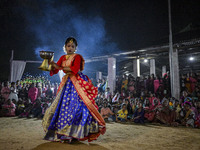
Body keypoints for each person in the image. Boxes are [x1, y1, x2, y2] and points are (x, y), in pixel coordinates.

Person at [42, 37, 105, 143]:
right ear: (65, 47)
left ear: (75, 48)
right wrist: (51, 64)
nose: (70, 48)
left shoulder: (77, 57)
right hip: (67, 84)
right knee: (63, 109)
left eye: (72, 46)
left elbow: (74, 69)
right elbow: (56, 70)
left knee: (78, 108)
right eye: (68, 46)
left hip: (77, 83)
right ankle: (65, 134)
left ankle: (76, 134)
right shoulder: (62, 57)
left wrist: (59, 66)